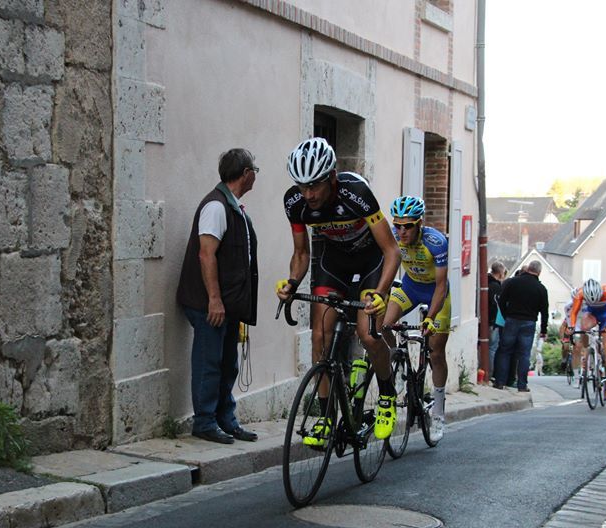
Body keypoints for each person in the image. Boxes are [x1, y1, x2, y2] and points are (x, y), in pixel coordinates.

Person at [276, 138, 400, 446]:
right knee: (320, 335)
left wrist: (381, 293)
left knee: (368, 333)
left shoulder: (356, 193)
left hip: (372, 259)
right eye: (302, 187)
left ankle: (387, 394)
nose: (309, 195)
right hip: (335, 262)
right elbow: (302, 254)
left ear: (332, 177)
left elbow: (392, 251)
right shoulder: (295, 202)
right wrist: (291, 282)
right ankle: (326, 417)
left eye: (315, 186)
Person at [176, 149, 260, 445]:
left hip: (228, 305)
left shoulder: (231, 205)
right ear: (246, 174)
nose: (255, 177)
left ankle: (226, 419)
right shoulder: (216, 206)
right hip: (210, 304)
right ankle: (205, 421)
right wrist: (214, 299)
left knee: (227, 364)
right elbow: (206, 254)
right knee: (209, 361)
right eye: (254, 172)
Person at [381, 196, 451, 440]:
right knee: (383, 325)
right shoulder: (391, 236)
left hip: (435, 292)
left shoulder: (436, 242)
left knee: (436, 351)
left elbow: (442, 286)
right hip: (410, 287)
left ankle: (439, 414)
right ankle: (396, 359)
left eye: (408, 225)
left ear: (419, 223)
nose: (401, 231)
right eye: (398, 225)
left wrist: (430, 317)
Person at [493, 260, 549, 392]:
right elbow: (544, 312)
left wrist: (506, 315)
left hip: (512, 319)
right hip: (529, 322)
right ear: (539, 272)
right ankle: (522, 385)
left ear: (528, 268)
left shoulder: (513, 282)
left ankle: (500, 382)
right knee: (524, 354)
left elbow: (501, 301)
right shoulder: (541, 289)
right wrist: (544, 330)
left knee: (505, 351)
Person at [567, 279, 606, 400]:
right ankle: (588, 349)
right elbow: (574, 313)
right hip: (592, 315)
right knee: (583, 327)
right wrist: (572, 327)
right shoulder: (580, 293)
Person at [488, 261, 506, 370]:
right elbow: (497, 305)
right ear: (500, 273)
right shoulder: (496, 286)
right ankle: (490, 372)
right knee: (492, 348)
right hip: (493, 321)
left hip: (490, 320)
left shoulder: (487, 282)